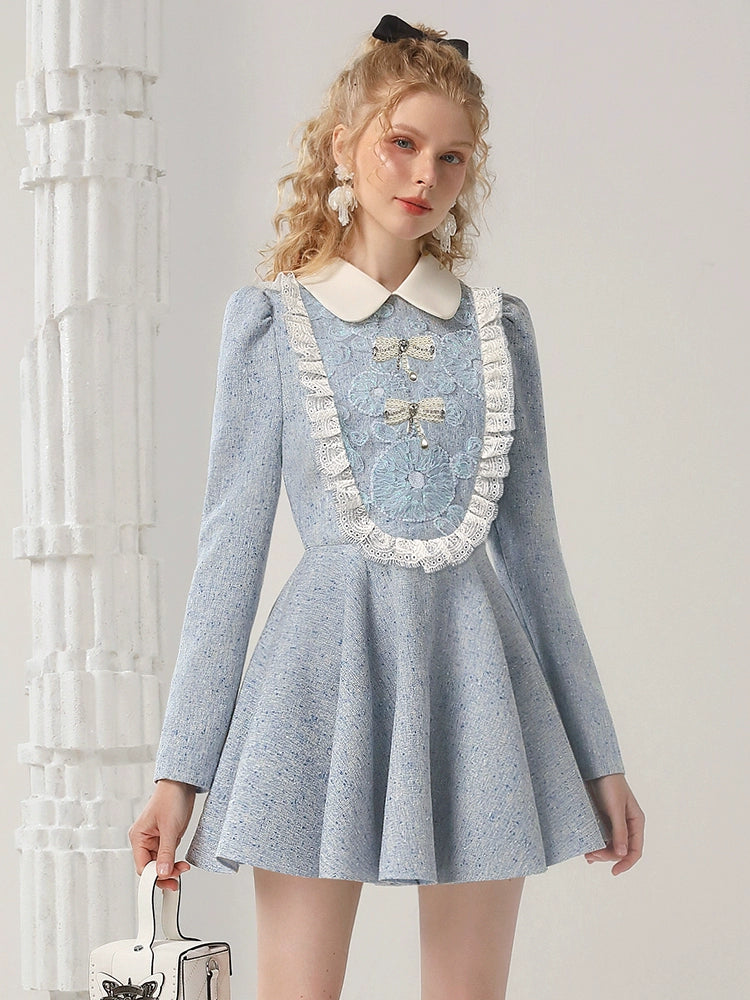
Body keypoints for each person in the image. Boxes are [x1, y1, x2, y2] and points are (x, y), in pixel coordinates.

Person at [129, 14, 645, 1000]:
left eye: (452, 157)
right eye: (401, 142)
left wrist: (599, 757)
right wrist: (177, 772)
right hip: (316, 686)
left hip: (477, 688)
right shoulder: (272, 323)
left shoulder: (498, 330)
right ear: (343, 146)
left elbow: (537, 556)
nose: (424, 175)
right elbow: (229, 553)